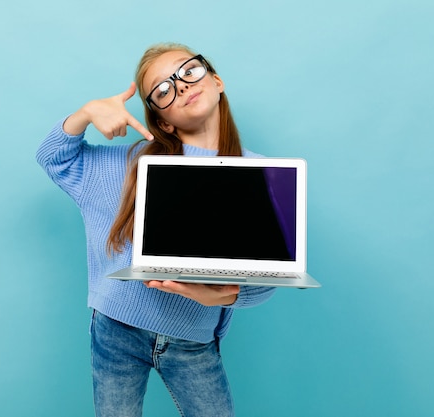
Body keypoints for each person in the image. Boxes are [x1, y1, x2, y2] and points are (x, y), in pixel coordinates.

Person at [36, 42, 276, 417]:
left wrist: (225, 297)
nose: (180, 85)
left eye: (189, 71)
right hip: (116, 330)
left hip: (193, 341)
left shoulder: (257, 172)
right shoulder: (126, 164)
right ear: (162, 121)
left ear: (216, 81)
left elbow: (266, 280)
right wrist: (83, 115)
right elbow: (53, 157)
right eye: (163, 90)